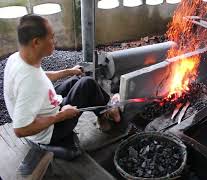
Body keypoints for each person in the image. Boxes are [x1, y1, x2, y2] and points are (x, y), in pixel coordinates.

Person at [3, 14, 120, 155]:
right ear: (36, 42)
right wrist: (62, 116)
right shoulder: (29, 83)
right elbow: (21, 129)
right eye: (51, 37)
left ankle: (105, 111)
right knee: (87, 84)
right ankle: (107, 112)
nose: (55, 41)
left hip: (46, 107)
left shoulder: (17, 58)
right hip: (49, 131)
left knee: (75, 81)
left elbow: (40, 76)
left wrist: (69, 72)